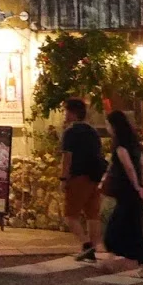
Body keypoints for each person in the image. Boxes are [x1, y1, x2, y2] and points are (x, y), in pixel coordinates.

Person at [101, 109, 143, 279]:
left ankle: (111, 260)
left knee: (115, 227)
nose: (107, 127)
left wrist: (136, 185)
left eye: (108, 124)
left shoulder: (120, 145)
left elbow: (128, 166)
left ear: (114, 126)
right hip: (134, 193)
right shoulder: (134, 143)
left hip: (127, 192)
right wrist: (142, 185)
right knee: (132, 228)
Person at [59, 97, 107, 262]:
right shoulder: (93, 131)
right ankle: (92, 248)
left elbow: (67, 158)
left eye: (65, 111)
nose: (64, 115)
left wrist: (63, 178)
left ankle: (86, 246)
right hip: (94, 176)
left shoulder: (70, 132)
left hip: (78, 177)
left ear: (72, 113)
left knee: (70, 215)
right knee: (92, 215)